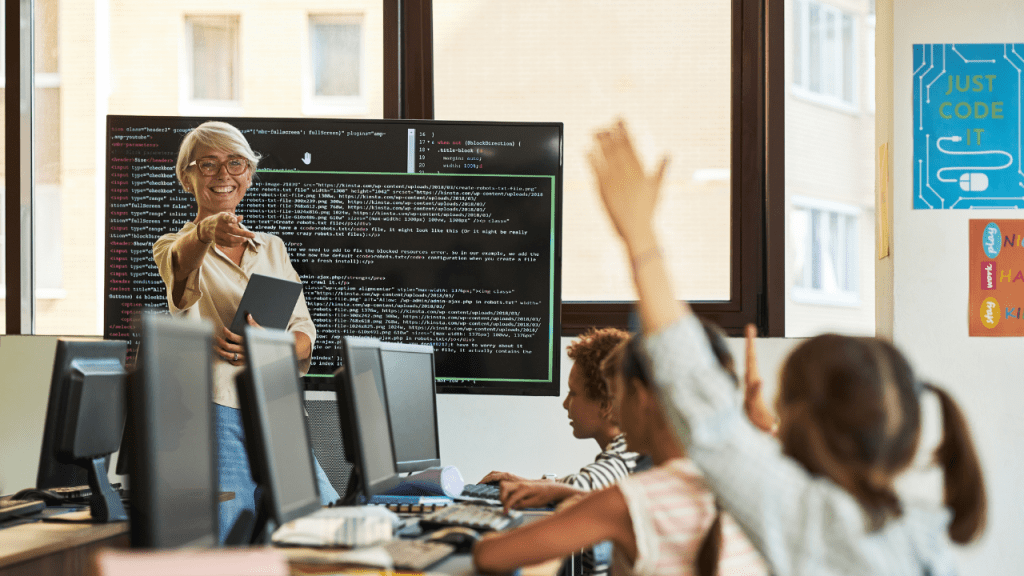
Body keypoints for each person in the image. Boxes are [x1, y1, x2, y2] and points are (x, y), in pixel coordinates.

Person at [587, 119, 987, 575]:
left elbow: (694, 390)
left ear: (801, 419)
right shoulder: (923, 532)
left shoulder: (815, 523)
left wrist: (640, 235)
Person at [153, 121, 340, 543]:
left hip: (280, 408)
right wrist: (206, 230)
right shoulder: (171, 246)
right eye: (208, 164)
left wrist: (270, 346)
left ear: (249, 175)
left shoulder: (272, 247)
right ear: (187, 177)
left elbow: (304, 335)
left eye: (235, 163)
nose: (224, 174)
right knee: (230, 538)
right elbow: (182, 268)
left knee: (324, 526)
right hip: (217, 411)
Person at [473, 326, 768, 576]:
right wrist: (566, 493)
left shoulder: (629, 502)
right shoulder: (744, 484)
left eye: (616, 394)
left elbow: (489, 556)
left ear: (640, 397)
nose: (614, 410)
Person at [480, 327, 641, 576]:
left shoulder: (627, 456)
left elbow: (588, 487)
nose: (566, 404)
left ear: (606, 405)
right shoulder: (627, 453)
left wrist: (547, 488)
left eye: (573, 393)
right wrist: (535, 484)